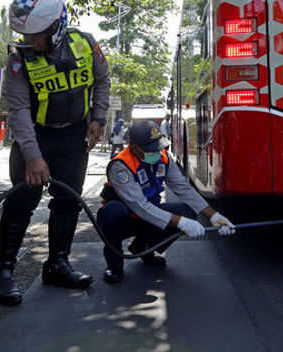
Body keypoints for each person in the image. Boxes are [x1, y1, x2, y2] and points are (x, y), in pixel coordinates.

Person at [0, 0, 110, 306]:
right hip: (36, 135)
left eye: (36, 35)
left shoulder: (85, 44)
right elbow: (18, 111)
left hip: (74, 137)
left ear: (57, 26)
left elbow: (102, 79)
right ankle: (2, 273)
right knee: (21, 204)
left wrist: (98, 118)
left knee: (68, 201)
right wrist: (33, 157)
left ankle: (57, 263)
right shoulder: (19, 60)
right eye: (26, 35)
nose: (30, 41)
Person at [97, 120, 236, 283]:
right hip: (125, 218)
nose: (157, 151)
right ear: (135, 148)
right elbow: (139, 206)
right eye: (152, 149)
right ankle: (114, 265)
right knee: (112, 211)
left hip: (151, 214)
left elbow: (183, 188)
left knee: (188, 212)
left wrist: (214, 216)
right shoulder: (120, 165)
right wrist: (180, 223)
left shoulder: (163, 157)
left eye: (159, 146)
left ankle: (144, 248)